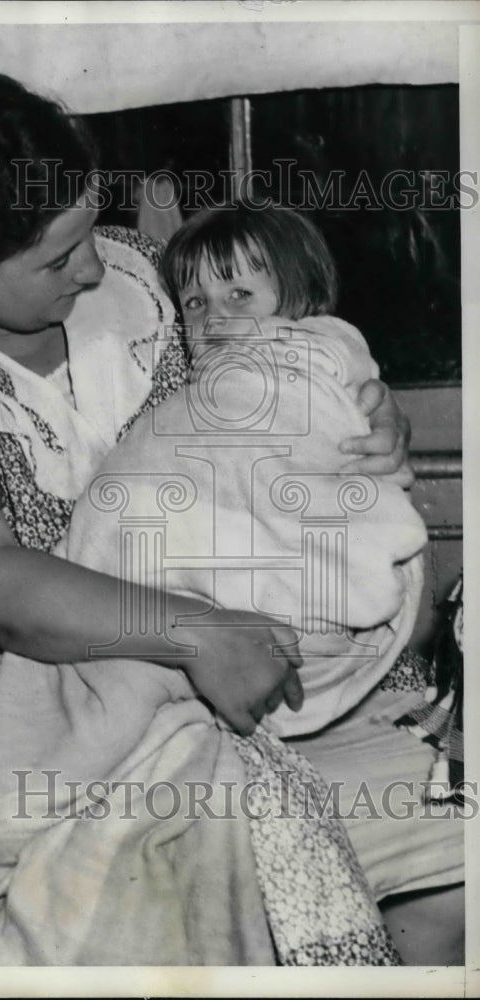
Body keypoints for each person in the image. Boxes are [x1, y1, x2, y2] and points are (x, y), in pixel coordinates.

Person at [0, 70, 460, 966]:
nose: (94, 263)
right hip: (65, 740)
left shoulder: (131, 282)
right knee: (186, 870)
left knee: (456, 806)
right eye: (57, 257)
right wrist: (200, 634)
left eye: (90, 226)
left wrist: (360, 406)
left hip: (268, 675)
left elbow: (264, 393)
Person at [66, 203, 428, 738]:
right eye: (194, 303)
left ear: (297, 296)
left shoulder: (314, 348)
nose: (213, 318)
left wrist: (378, 408)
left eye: (239, 295)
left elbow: (329, 401)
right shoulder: (193, 386)